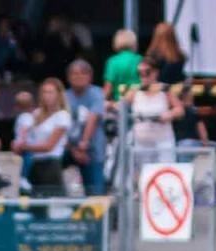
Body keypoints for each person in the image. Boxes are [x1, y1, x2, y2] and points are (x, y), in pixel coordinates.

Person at [14, 77, 73, 196]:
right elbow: (26, 135)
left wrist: (25, 146)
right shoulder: (36, 114)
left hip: (51, 165)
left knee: (53, 201)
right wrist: (18, 144)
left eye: (50, 92)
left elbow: (49, 146)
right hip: (34, 164)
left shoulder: (62, 116)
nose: (47, 96)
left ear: (58, 95)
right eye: (44, 92)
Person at [126, 60, 181, 168]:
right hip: (141, 143)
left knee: (165, 171)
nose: (143, 76)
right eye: (139, 73)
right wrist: (109, 105)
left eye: (147, 72)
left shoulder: (164, 89)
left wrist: (169, 114)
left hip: (163, 141)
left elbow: (180, 110)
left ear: (156, 72)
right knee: (143, 173)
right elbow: (120, 106)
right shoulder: (134, 90)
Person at [64, 60, 107, 195]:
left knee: (95, 194)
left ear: (90, 77)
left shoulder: (97, 93)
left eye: (83, 73)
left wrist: (83, 145)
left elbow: (93, 119)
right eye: (75, 73)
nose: (79, 76)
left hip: (92, 150)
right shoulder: (64, 96)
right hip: (68, 148)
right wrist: (74, 150)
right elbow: (60, 127)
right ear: (68, 77)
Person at [145, 21, 187, 86]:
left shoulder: (153, 56)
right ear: (173, 36)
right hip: (176, 88)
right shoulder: (180, 56)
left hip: (158, 88)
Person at [103, 28, 141, 101]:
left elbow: (108, 87)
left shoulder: (112, 61)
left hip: (119, 102)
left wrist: (102, 101)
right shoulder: (140, 59)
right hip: (138, 101)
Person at [11, 88, 36, 193]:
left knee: (26, 162)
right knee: (26, 161)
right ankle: (24, 178)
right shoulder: (28, 117)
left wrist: (18, 143)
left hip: (26, 145)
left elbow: (24, 130)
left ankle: (24, 178)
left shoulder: (24, 117)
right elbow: (24, 130)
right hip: (25, 145)